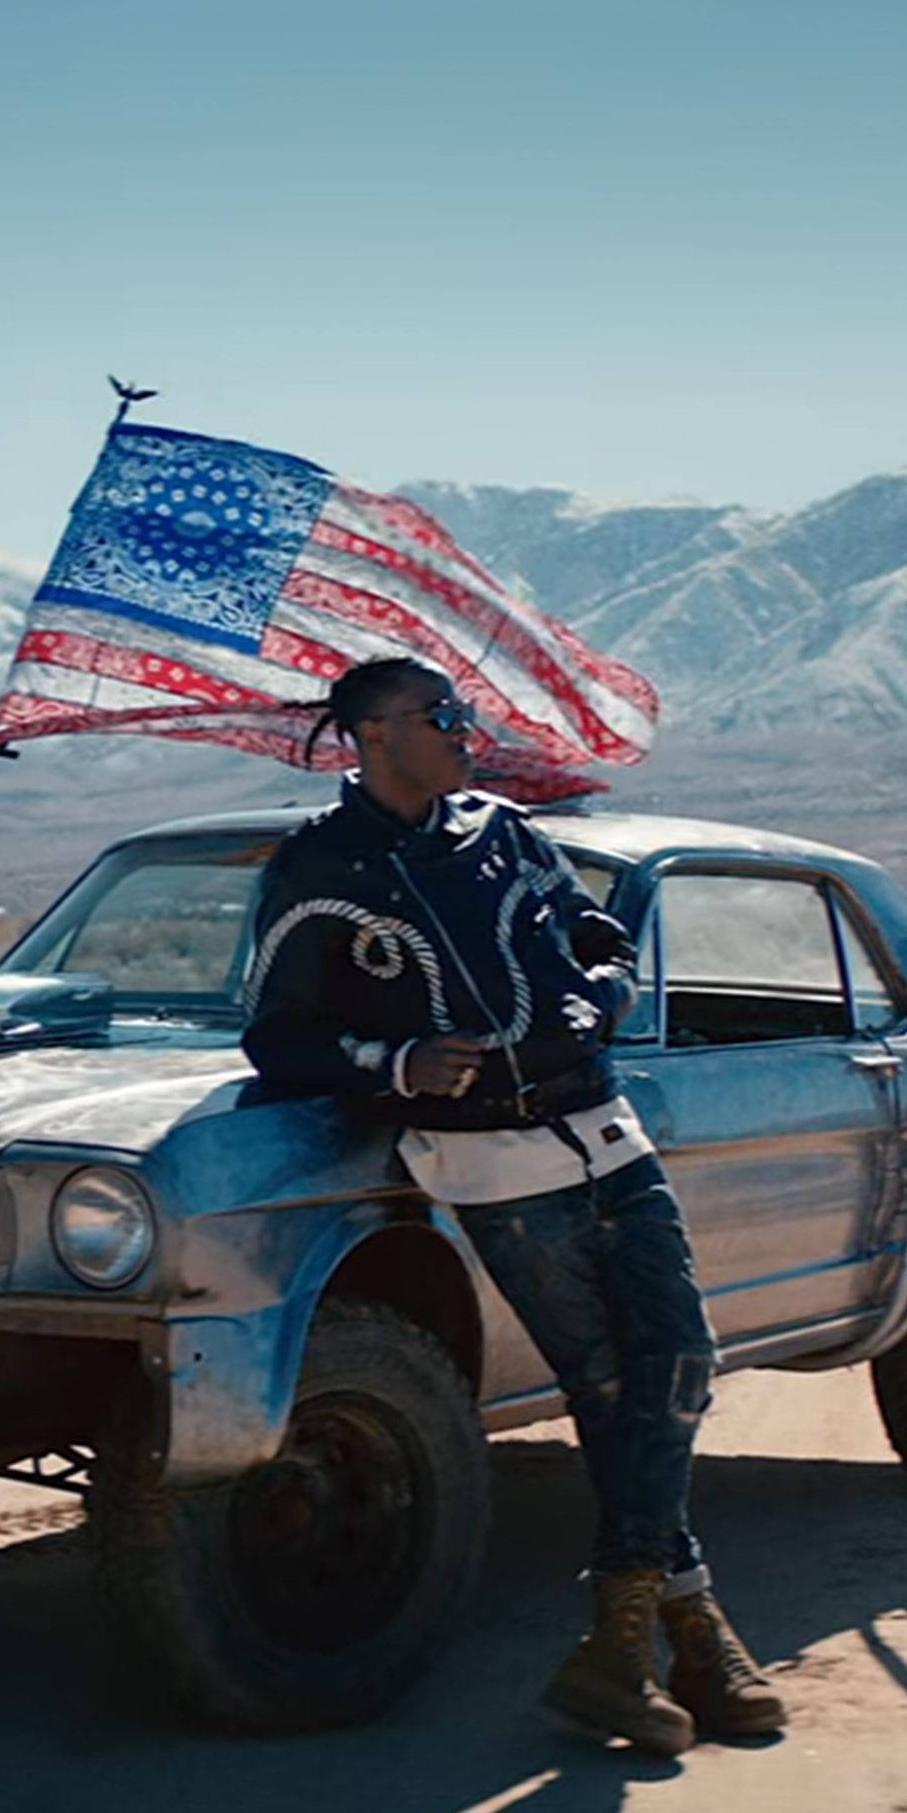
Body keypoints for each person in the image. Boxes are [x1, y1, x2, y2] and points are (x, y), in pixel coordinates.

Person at [242, 655, 786, 1755]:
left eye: (464, 711)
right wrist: (392, 1059)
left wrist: (600, 997)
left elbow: (597, 937)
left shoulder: (501, 829)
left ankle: (631, 1633)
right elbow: (274, 1035)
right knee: (610, 1383)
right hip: (495, 1168)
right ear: (371, 734)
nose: (463, 730)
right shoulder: (317, 868)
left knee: (680, 1361)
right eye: (439, 715)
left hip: (607, 1132)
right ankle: (677, 1636)